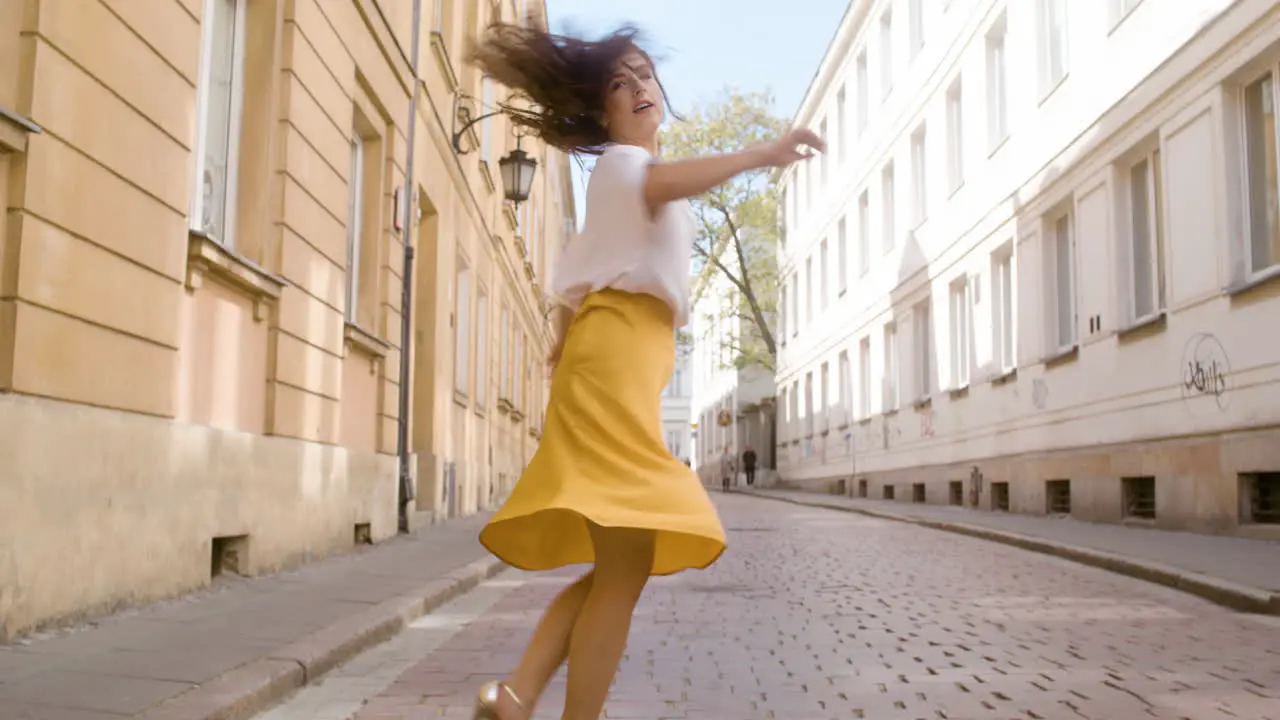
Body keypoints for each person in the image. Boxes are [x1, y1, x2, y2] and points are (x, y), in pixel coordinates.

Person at [466, 20, 823, 720]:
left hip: (618, 358)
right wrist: (762, 152)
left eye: (645, 76)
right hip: (619, 359)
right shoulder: (628, 166)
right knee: (624, 569)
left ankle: (516, 696)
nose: (637, 88)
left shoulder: (619, 182)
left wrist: (564, 346)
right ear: (602, 109)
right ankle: (553, 708)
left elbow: (575, 276)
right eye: (619, 83)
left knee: (619, 569)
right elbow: (659, 185)